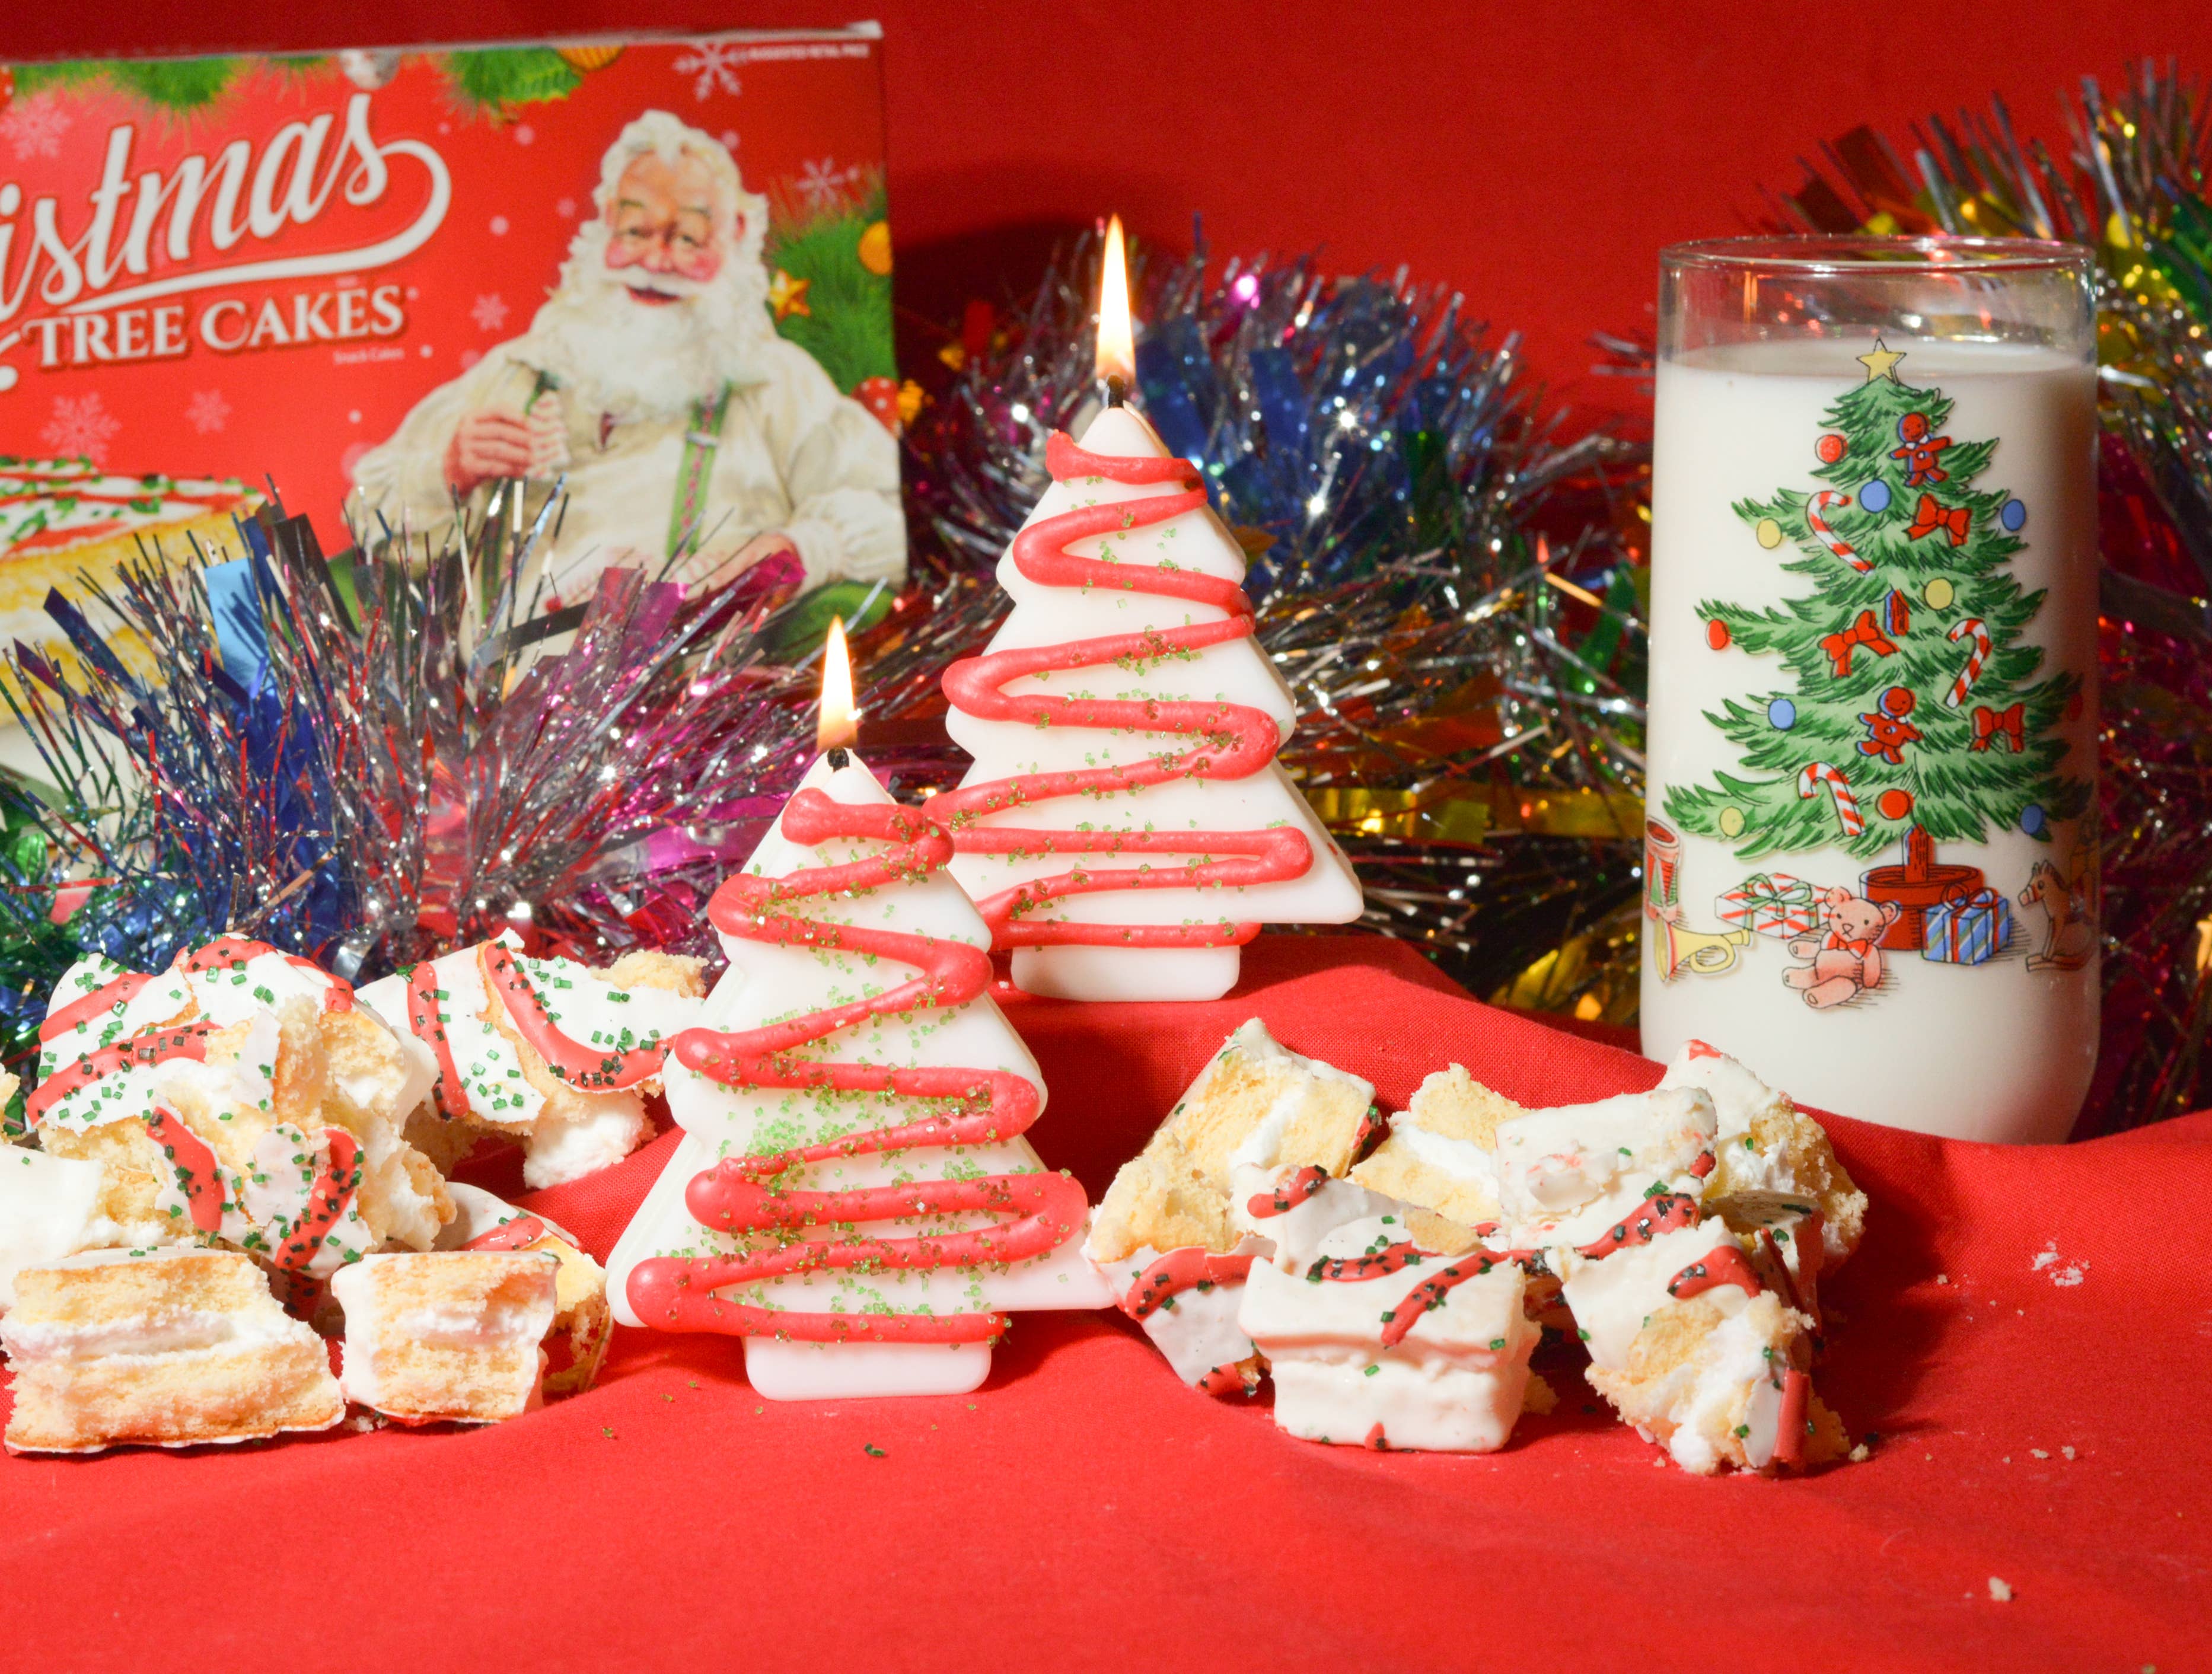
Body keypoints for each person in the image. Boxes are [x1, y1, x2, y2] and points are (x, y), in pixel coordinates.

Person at [350, 110, 902, 600]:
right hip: (503, 682)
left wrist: (787, 553)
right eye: (636, 230)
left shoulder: (771, 382)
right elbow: (368, 518)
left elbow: (886, 511)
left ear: (734, 235)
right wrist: (448, 470)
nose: (655, 262)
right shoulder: (524, 371)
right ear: (608, 221)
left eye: (687, 238)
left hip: (702, 683)